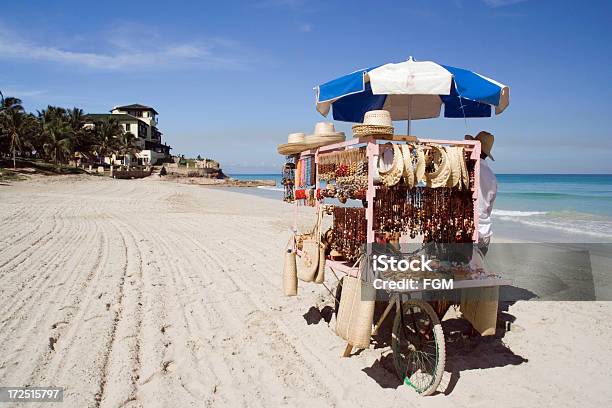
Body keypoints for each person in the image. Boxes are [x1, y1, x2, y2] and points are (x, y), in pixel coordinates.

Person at [465, 131, 497, 255]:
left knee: (458, 271)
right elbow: (488, 208)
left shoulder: (465, 168)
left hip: (466, 234)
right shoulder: (492, 177)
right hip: (484, 233)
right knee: (476, 272)